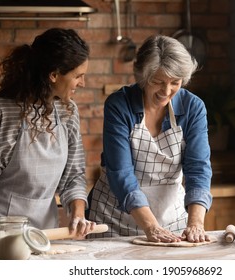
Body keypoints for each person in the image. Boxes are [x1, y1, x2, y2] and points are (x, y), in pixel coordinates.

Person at [0, 28, 95, 241]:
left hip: (47, 234)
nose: (82, 83)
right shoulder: (0, 112)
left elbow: (74, 176)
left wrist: (78, 214)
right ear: (54, 75)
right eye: (78, 76)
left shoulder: (68, 112)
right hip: (0, 233)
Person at [87, 35, 212, 243]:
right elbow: (121, 173)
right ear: (143, 77)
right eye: (157, 82)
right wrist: (150, 226)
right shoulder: (120, 105)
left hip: (171, 219)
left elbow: (198, 167)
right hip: (114, 218)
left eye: (175, 83)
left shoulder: (193, 107)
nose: (166, 91)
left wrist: (196, 223)